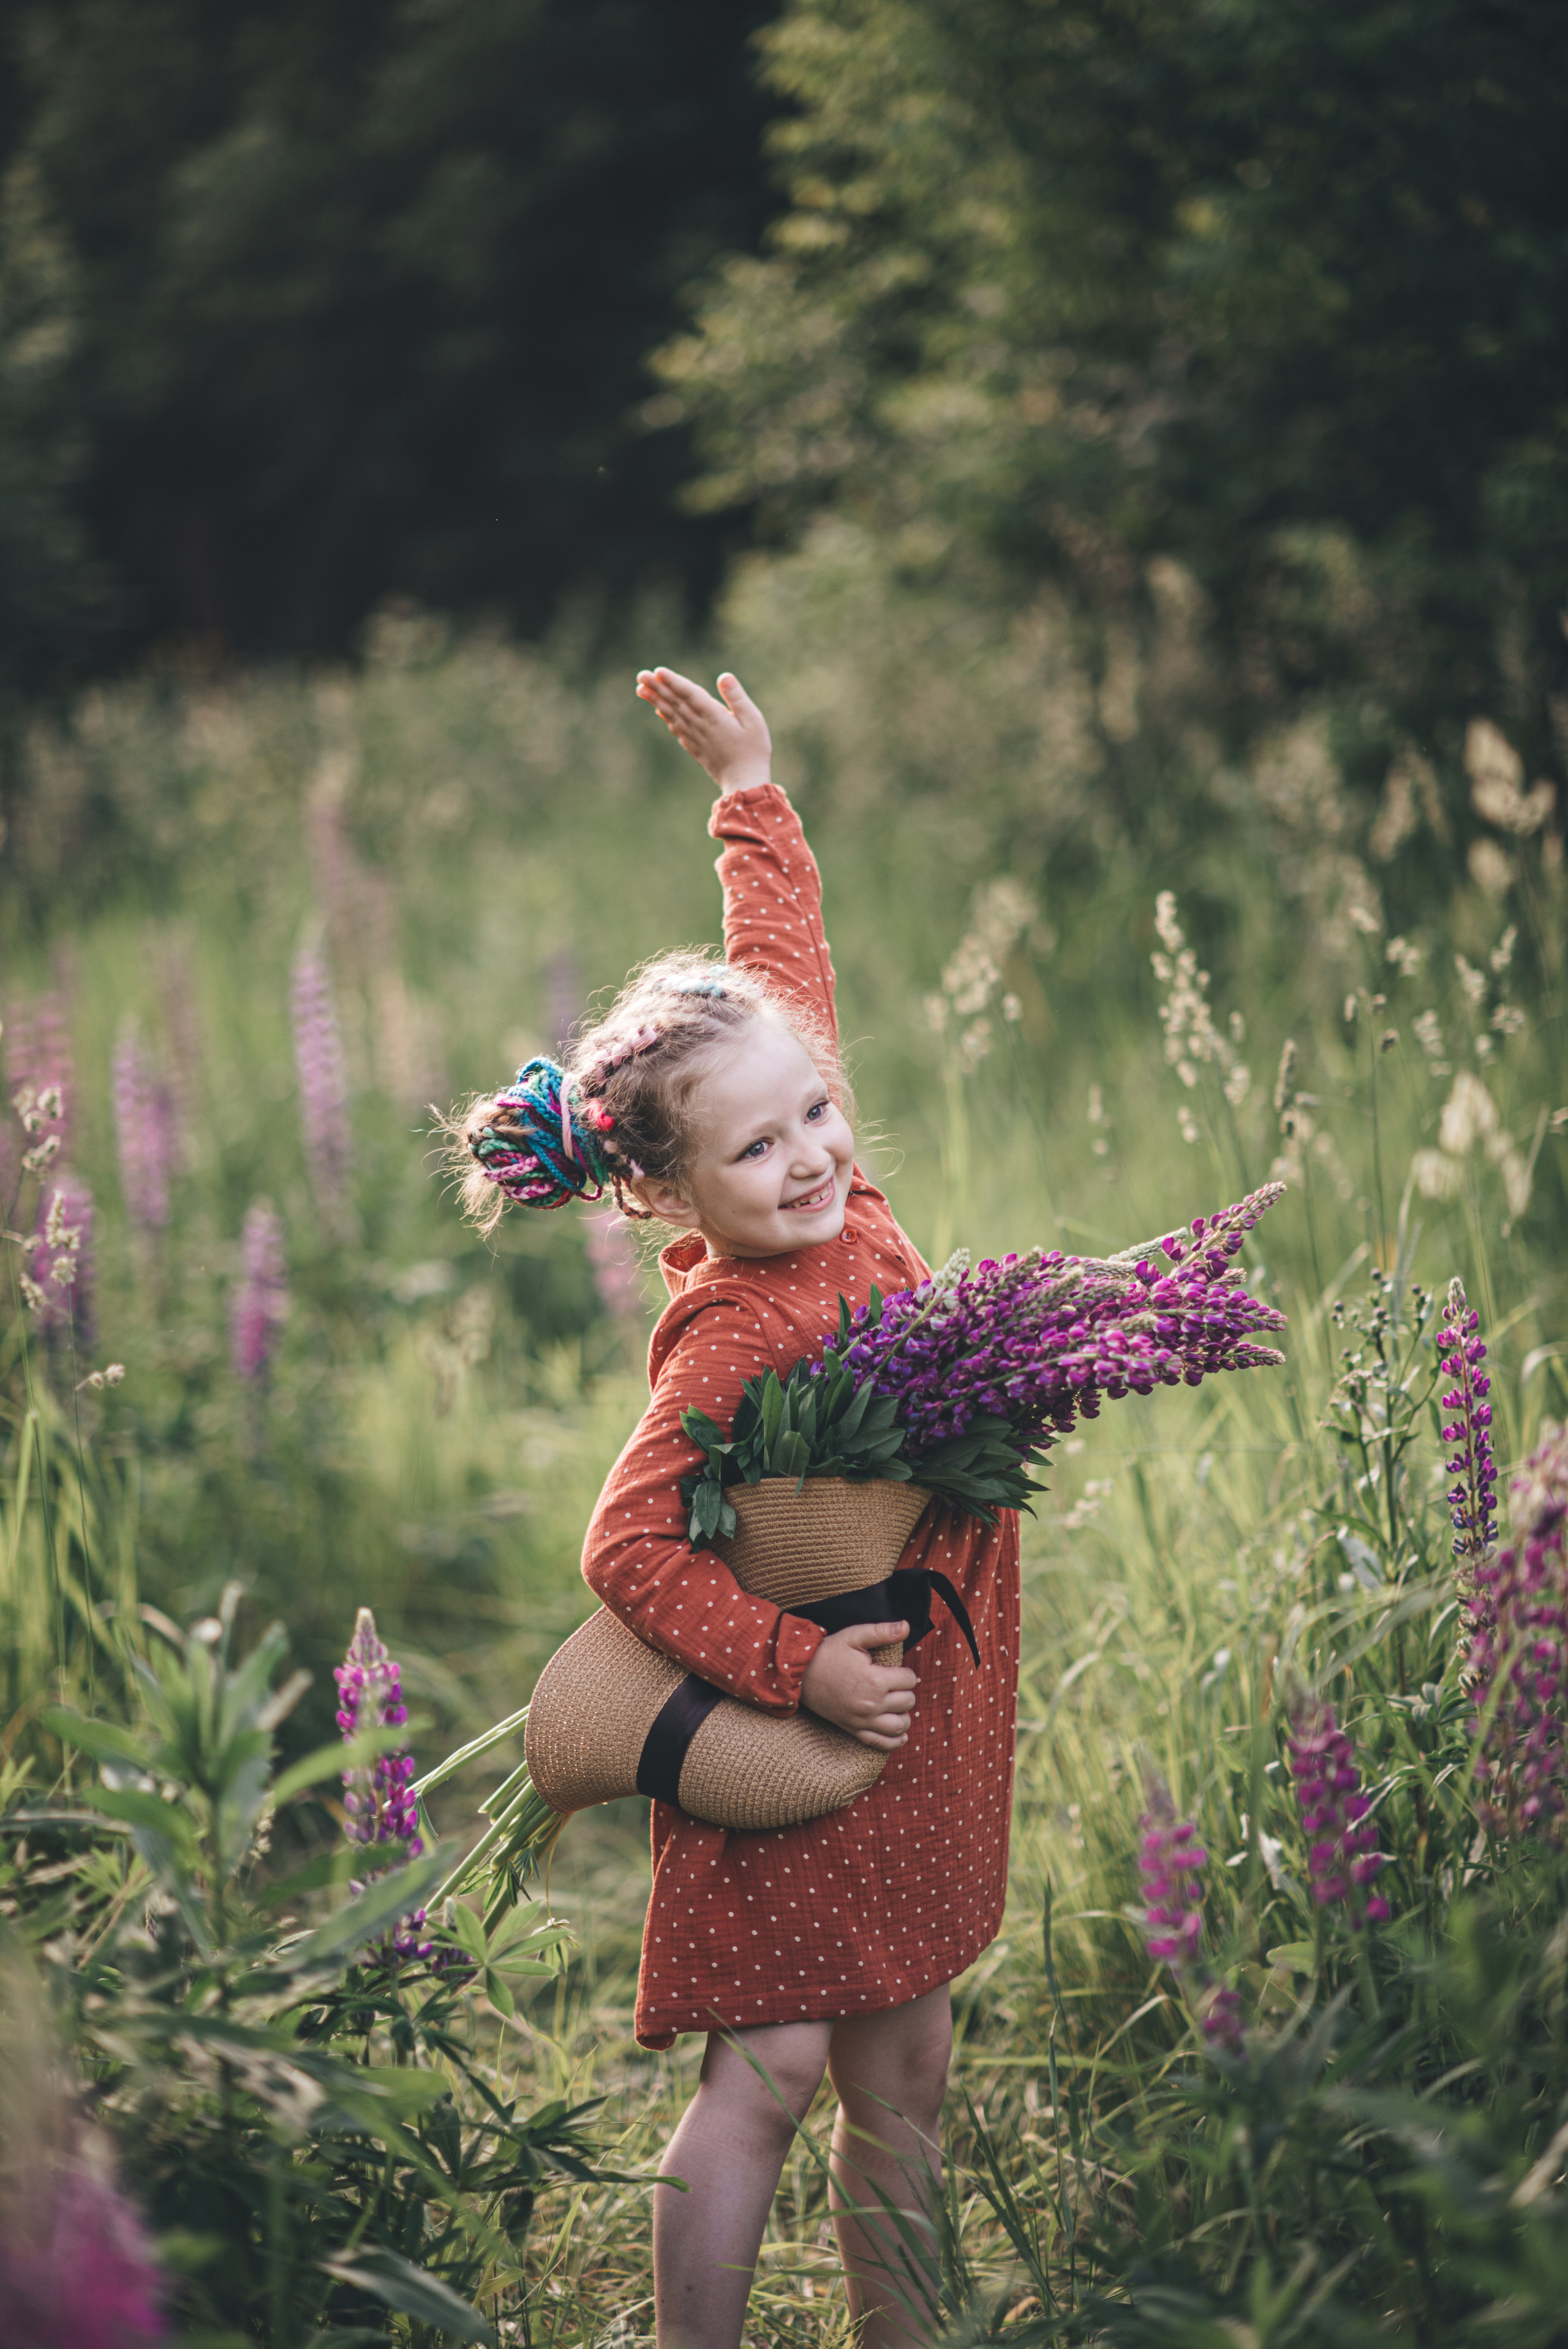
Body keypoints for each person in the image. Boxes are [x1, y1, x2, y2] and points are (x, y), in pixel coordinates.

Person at [450, 670, 1020, 2349]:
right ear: (665, 1190)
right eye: (760, 1148)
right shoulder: (737, 1324)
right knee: (767, 2070)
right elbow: (624, 1546)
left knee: (906, 2065)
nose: (812, 1154)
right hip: (799, 1726)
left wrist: (751, 793)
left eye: (817, 1111)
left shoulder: (839, 1194)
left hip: (919, 1718)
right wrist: (795, 1668)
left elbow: (785, 977)